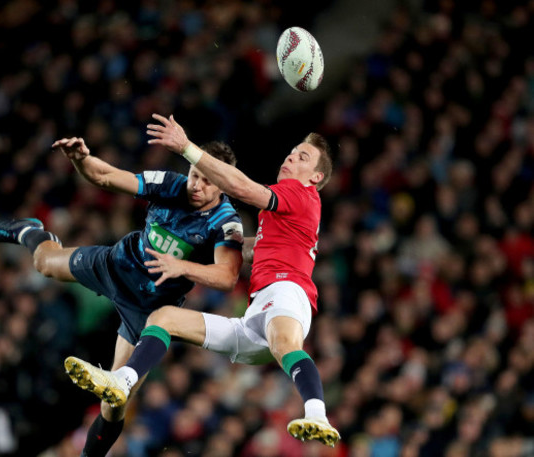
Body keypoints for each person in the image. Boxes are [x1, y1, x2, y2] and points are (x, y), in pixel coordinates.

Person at [65, 114, 341, 447]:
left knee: (285, 343)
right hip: (255, 319)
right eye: (293, 151)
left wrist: (186, 148)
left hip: (286, 294)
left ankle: (316, 414)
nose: (291, 157)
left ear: (317, 177)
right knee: (162, 318)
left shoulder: (300, 195)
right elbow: (254, 249)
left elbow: (240, 187)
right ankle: (122, 380)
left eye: (303, 157)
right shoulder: (285, 211)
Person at [0, 136, 244, 457]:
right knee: (43, 263)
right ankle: (31, 231)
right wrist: (80, 159)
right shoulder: (171, 184)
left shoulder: (225, 222)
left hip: (148, 311)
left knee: (114, 403)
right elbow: (106, 176)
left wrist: (181, 266)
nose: (197, 186)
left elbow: (227, 276)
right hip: (116, 265)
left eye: (209, 182)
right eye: (195, 175)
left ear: (224, 185)